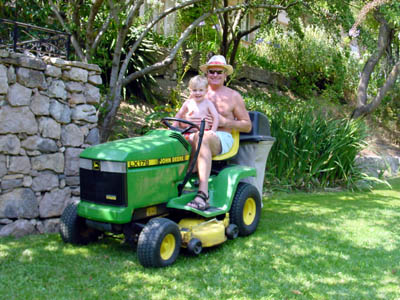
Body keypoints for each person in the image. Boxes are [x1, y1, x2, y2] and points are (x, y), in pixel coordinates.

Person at [183, 55, 252, 210]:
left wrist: (224, 122)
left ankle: (202, 194)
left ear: (225, 75)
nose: (215, 75)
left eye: (219, 72)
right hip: (196, 133)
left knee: (204, 138)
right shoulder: (198, 92)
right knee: (173, 139)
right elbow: (184, 114)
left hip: (222, 137)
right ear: (206, 73)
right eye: (212, 71)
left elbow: (247, 126)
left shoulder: (233, 96)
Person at [173, 75, 219, 146]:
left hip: (203, 132)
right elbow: (178, 115)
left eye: (201, 90)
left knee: (199, 144)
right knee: (177, 143)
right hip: (188, 131)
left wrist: (213, 131)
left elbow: (216, 117)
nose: (197, 93)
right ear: (190, 90)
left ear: (206, 91)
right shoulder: (188, 103)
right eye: (194, 90)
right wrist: (174, 126)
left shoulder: (208, 103)